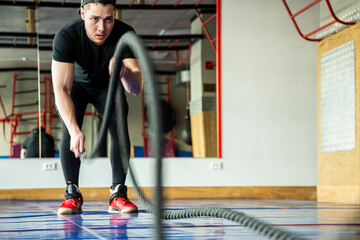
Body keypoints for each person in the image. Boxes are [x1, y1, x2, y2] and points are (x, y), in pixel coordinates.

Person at [52, 0, 143, 215]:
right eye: (95, 19)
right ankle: (72, 194)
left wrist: (124, 71)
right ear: (83, 13)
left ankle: (118, 194)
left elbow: (136, 88)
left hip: (108, 87)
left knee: (120, 130)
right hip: (76, 87)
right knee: (69, 132)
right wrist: (75, 130)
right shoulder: (67, 35)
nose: (102, 28)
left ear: (115, 15)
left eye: (108, 19)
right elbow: (61, 89)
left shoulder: (126, 34)